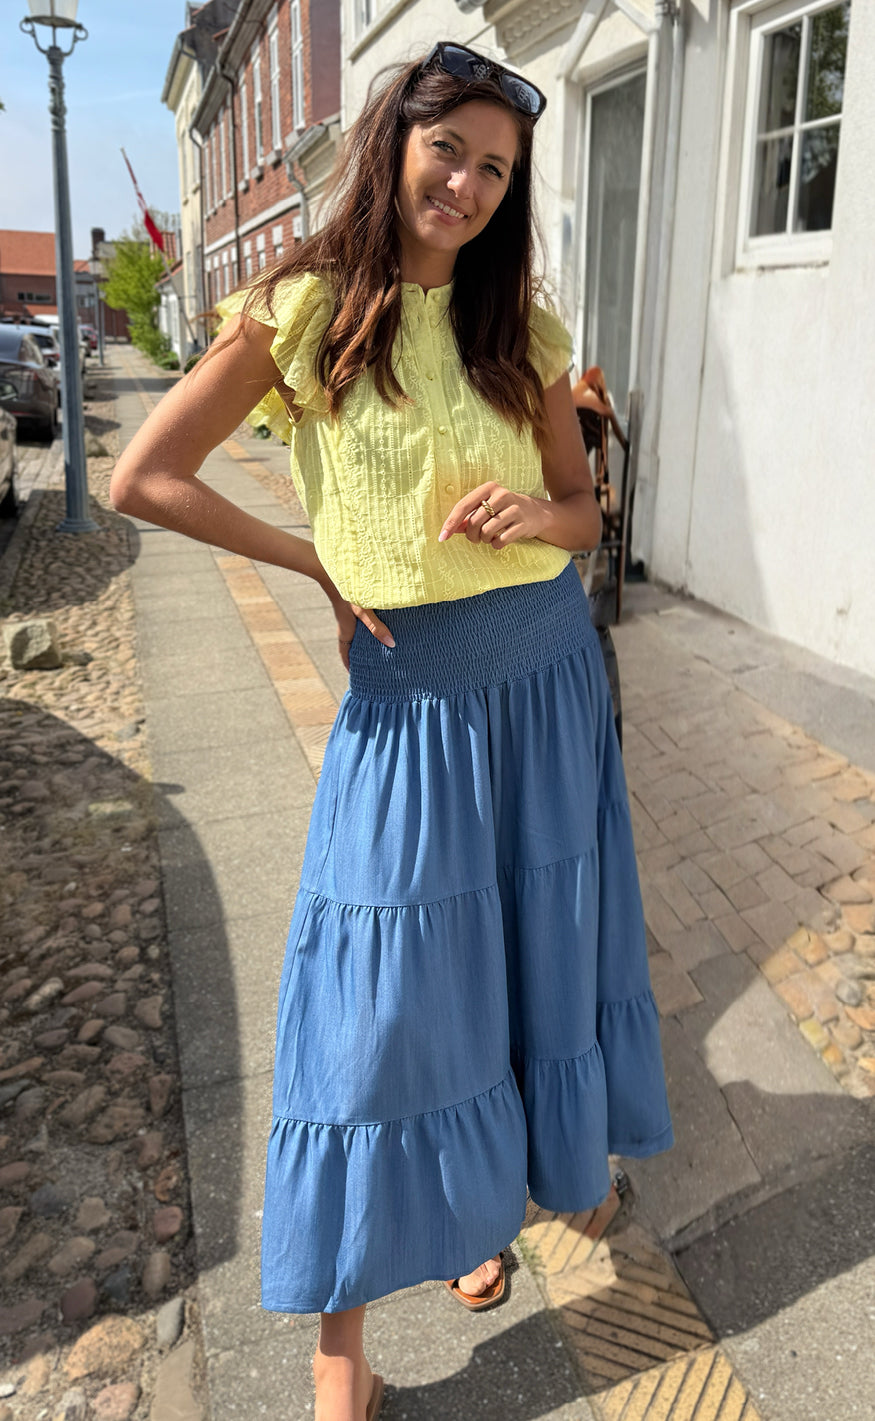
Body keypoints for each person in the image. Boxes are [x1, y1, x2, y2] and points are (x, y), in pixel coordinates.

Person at [111, 41, 673, 1421]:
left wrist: (536, 513)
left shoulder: (518, 327)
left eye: (496, 169)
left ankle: (501, 1200)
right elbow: (145, 475)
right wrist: (310, 559)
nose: (468, 185)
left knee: (529, 962)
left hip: (544, 682)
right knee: (374, 1016)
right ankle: (341, 1358)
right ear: (394, 143)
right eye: (450, 151)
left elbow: (582, 514)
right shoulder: (302, 310)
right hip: (410, 705)